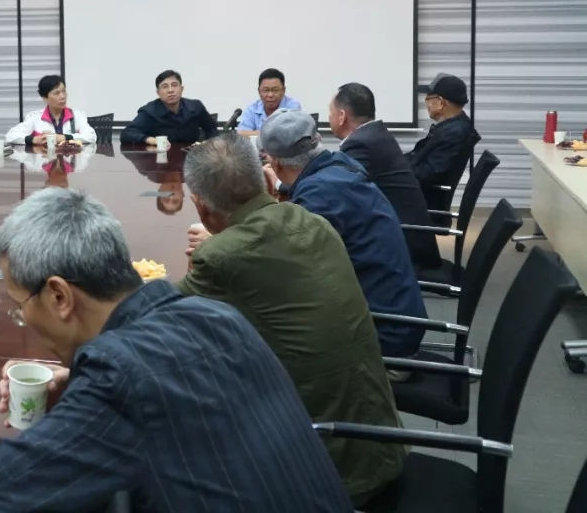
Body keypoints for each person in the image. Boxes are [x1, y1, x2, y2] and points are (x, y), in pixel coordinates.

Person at [0, 188, 352, 512]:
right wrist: (81, 392)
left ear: (59, 296)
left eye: (20, 306)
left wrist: (90, 393)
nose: (22, 318)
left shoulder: (120, 375)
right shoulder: (218, 316)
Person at [179, 134, 406, 506]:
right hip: (380, 442)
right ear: (267, 181)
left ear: (200, 205)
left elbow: (162, 320)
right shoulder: (314, 223)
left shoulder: (222, 256)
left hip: (324, 469)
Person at [261, 110, 427, 358]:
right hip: (398, 318)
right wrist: (282, 186)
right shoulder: (341, 165)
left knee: (262, 332)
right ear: (317, 141)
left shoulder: (318, 196)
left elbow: (284, 267)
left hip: (381, 341)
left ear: (275, 163)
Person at [329, 83, 442, 269]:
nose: (328, 117)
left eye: (330, 112)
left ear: (342, 116)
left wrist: (284, 182)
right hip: (402, 233)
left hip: (402, 248)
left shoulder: (361, 143)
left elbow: (334, 188)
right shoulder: (374, 134)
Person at [408, 73, 481, 209]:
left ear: (441, 102)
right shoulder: (453, 127)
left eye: (428, 99)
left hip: (420, 204)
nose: (426, 104)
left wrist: (395, 171)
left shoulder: (453, 134)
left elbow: (428, 173)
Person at [119, 69, 218, 145]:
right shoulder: (149, 111)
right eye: (165, 86)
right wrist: (151, 140)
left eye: (174, 85)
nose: (170, 90)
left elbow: (212, 129)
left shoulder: (196, 107)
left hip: (191, 158)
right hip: (159, 159)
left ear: (181, 89)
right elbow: (127, 133)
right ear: (158, 93)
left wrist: (209, 143)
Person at [5, 75, 97, 146]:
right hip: (45, 160)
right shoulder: (34, 117)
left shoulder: (77, 115)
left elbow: (91, 137)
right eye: (56, 93)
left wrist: (63, 138)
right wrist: (34, 139)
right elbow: (10, 136)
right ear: (45, 98)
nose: (63, 96)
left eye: (64, 91)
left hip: (70, 162)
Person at [238, 67, 303, 131]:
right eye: (266, 90)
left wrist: (258, 134)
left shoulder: (293, 107)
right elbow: (242, 132)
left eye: (275, 90)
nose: (270, 95)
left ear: (283, 90)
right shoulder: (252, 109)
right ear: (259, 91)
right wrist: (267, 134)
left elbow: (293, 132)